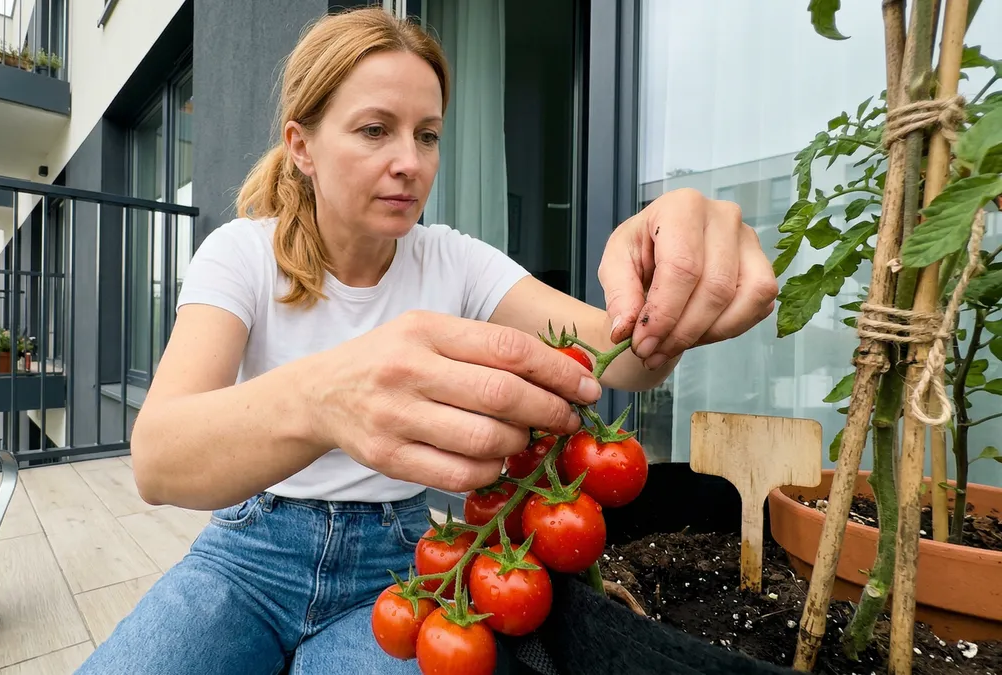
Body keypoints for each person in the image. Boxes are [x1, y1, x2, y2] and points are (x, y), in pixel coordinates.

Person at [75, 7, 778, 675]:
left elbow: (617, 356)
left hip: (402, 563)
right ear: (301, 147)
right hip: (248, 554)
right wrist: (327, 398)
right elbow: (158, 458)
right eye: (376, 130)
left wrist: (663, 260)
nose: (411, 161)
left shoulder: (455, 261)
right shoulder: (241, 255)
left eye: (428, 134)